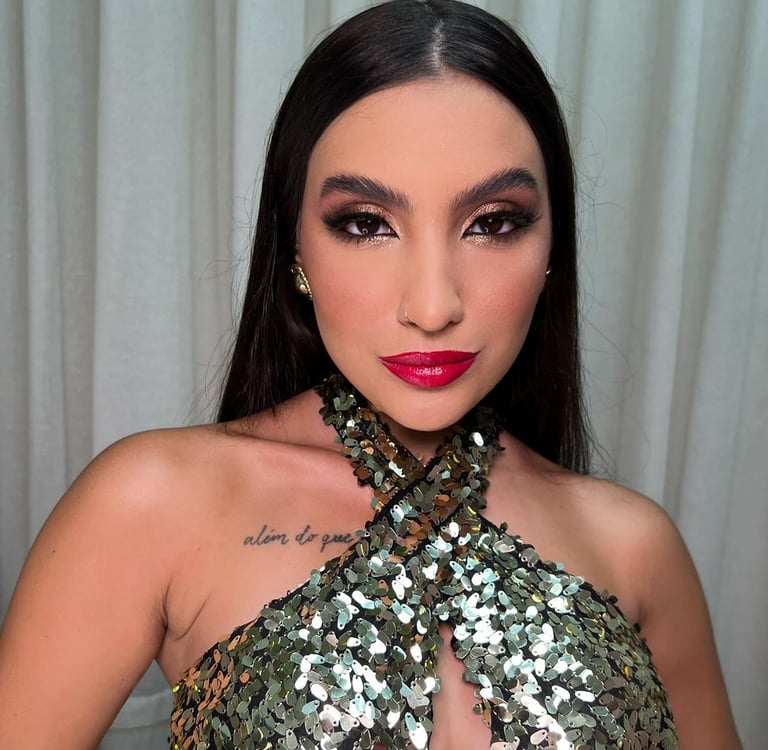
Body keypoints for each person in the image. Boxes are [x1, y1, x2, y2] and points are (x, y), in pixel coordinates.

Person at [0, 1, 741, 748]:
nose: (432, 307)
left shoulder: (636, 548)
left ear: (552, 250)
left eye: (492, 222)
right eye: (366, 224)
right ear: (296, 249)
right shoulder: (151, 502)